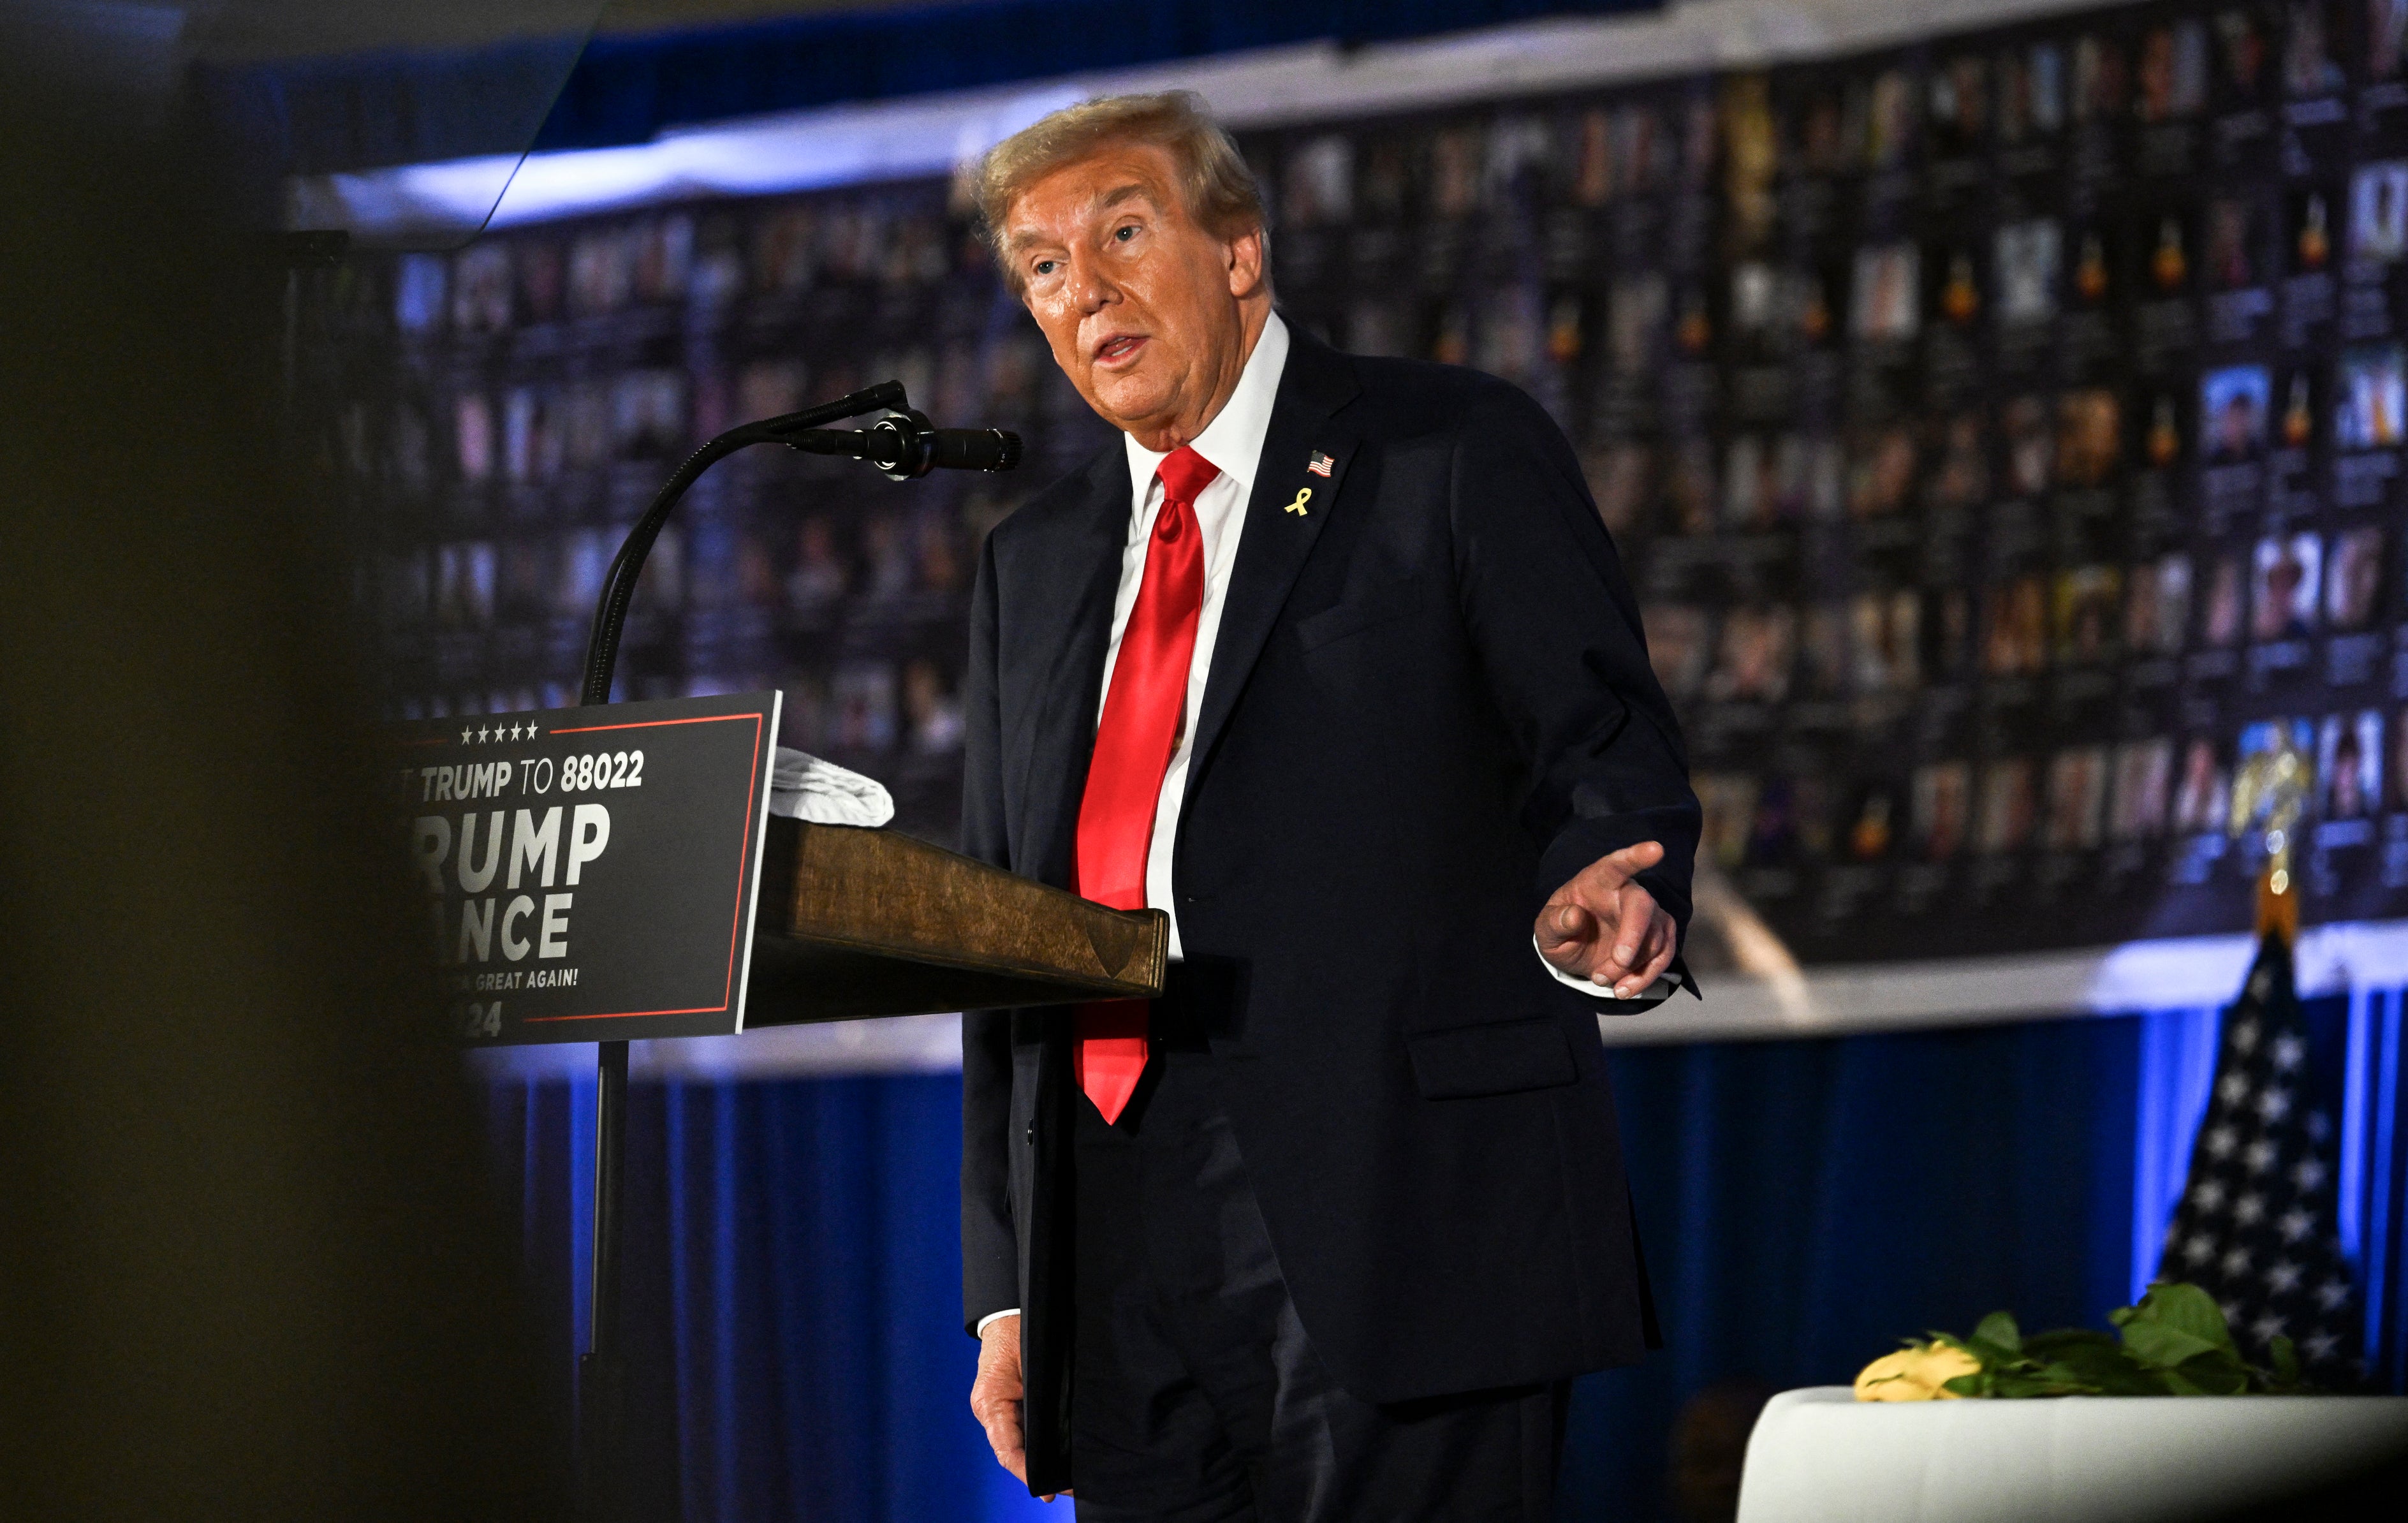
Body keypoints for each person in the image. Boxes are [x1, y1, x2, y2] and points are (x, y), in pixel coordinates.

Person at [956, 92, 1699, 1521]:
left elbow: (1599, 736)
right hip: (1112, 1223)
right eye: (1043, 267)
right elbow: (1002, 930)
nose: (1083, 291)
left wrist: (1607, 872)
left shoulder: (1447, 451)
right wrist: (1006, 1293)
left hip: (1398, 1193)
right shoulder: (1031, 563)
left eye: (1121, 232)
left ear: (1238, 250)